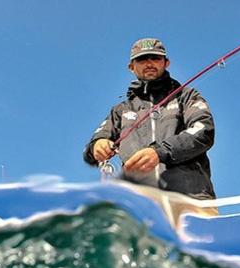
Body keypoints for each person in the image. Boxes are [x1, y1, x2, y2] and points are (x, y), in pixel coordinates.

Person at [83, 38, 216, 200]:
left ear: (166, 63)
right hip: (138, 204)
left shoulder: (187, 96)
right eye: (142, 59)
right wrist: (98, 145)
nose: (149, 63)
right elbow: (92, 148)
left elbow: (203, 131)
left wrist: (159, 152)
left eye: (156, 58)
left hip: (191, 198)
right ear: (131, 67)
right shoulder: (120, 110)